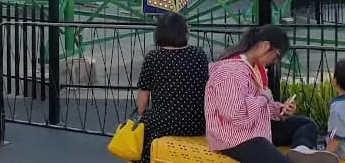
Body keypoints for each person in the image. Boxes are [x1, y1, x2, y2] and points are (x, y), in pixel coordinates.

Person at [205, 24, 338, 163]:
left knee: (306, 124)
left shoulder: (255, 68)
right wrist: (264, 97)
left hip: (256, 127)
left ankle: (300, 151)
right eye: (276, 56)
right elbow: (236, 115)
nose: (274, 62)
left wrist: (280, 110)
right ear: (265, 46)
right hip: (234, 137)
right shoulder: (231, 71)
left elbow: (258, 106)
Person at [136, 13, 208, 163]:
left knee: (142, 141)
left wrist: (142, 113)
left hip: (163, 123)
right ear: (184, 32)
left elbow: (144, 93)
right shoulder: (199, 55)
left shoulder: (153, 58)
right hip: (197, 121)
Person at [325, 59, 345, 159]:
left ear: (334, 81)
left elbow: (336, 136)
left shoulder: (337, 108)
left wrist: (325, 155)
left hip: (340, 152)